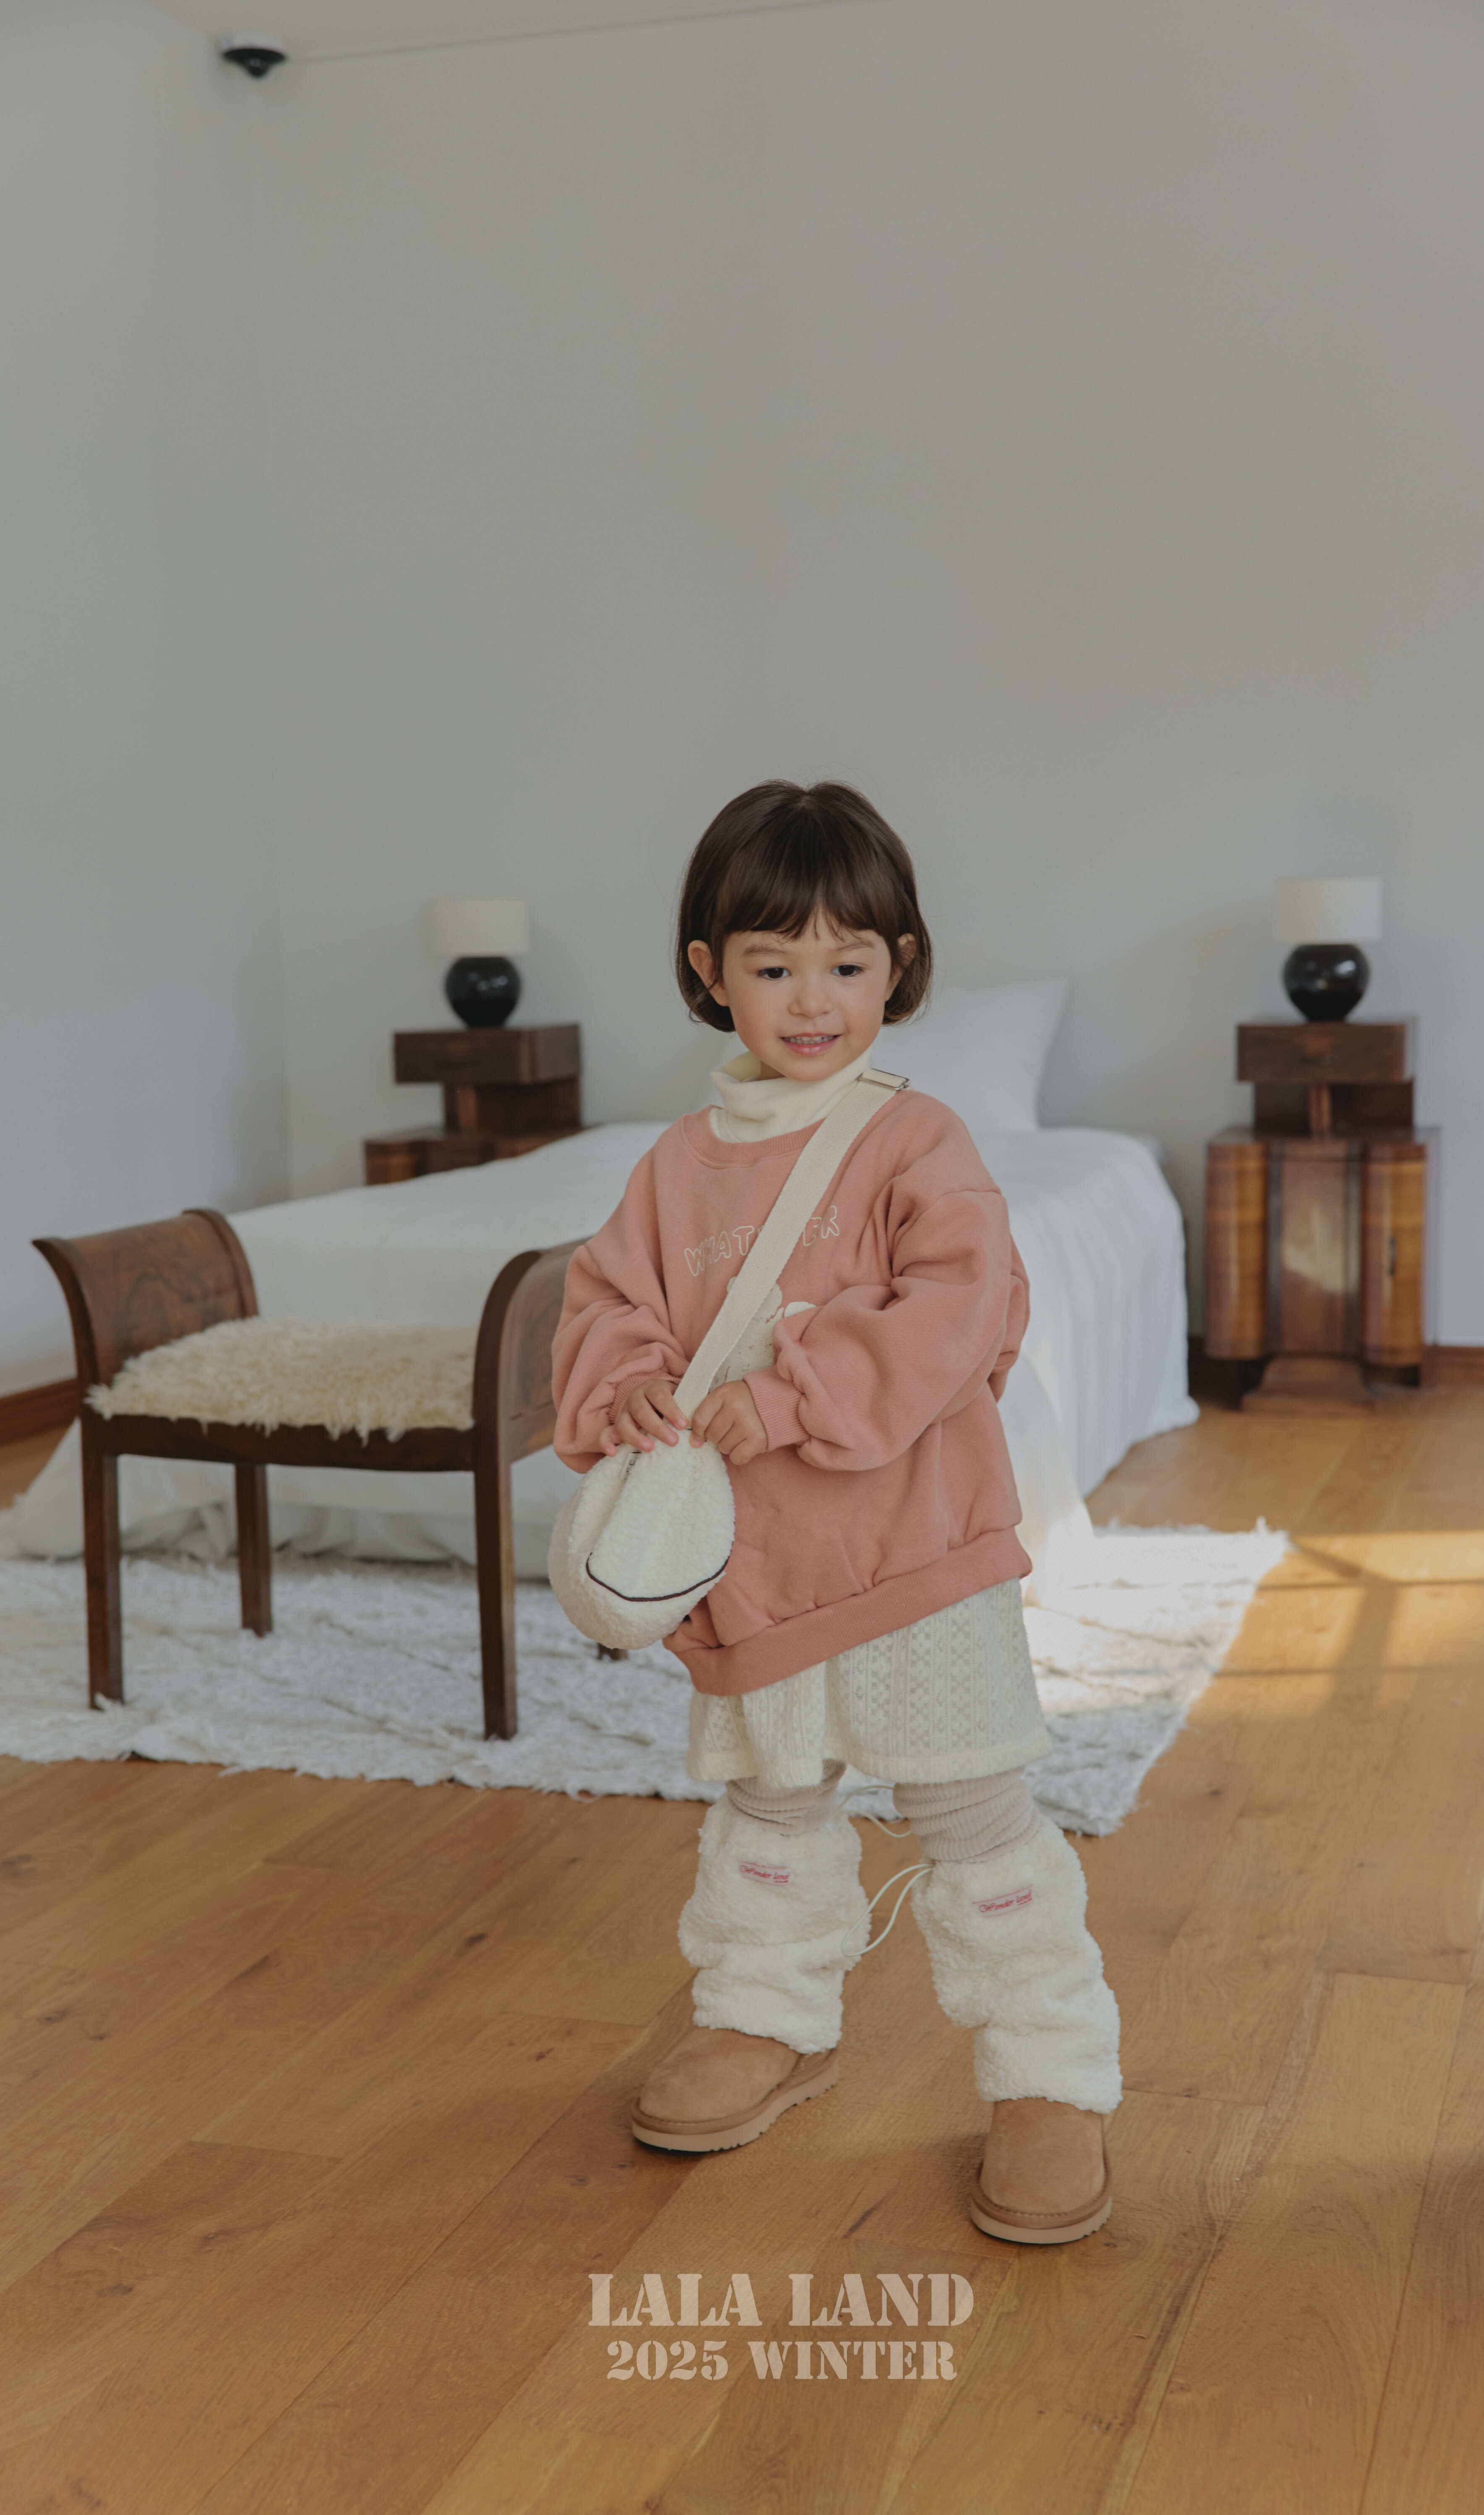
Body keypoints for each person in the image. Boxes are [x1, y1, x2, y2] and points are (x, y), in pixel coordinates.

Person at [551, 780, 1120, 2244]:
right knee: (771, 1804)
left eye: (847, 964)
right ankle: (765, 2016)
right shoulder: (672, 1169)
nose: (813, 999)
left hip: (917, 1549)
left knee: (972, 1812)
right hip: (758, 1568)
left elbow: (965, 1304)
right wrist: (629, 1388)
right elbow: (606, 1303)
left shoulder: (917, 1141)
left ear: (898, 968)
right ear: (710, 973)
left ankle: (1048, 2071)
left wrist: (798, 1393)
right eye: (774, 963)